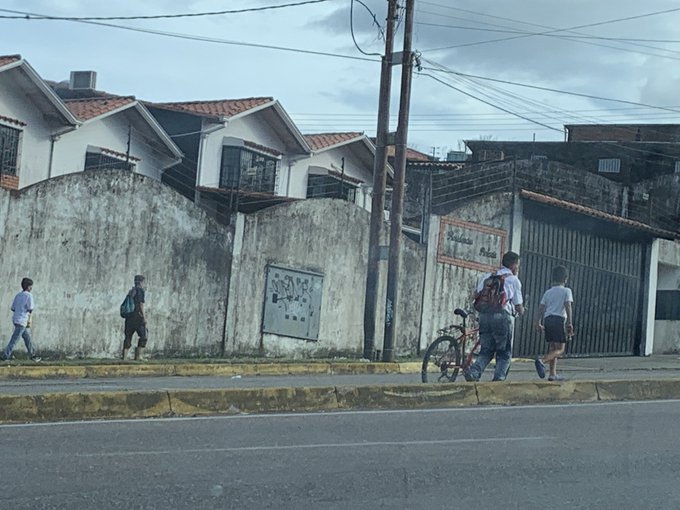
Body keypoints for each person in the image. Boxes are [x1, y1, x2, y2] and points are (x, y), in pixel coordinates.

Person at [465, 251, 524, 382]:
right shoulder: (514, 280)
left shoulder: (488, 276)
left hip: (485, 316)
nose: (517, 268)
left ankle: (474, 372)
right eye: (517, 265)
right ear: (513, 265)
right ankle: (498, 380)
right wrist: (522, 311)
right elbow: (518, 305)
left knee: (486, 350)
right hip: (502, 316)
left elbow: (476, 295)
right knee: (504, 352)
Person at [534, 265, 574, 382]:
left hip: (548, 319)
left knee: (552, 347)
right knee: (560, 349)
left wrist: (537, 322)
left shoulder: (548, 292)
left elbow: (541, 308)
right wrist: (570, 323)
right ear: (565, 279)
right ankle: (542, 361)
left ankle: (552, 374)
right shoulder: (567, 291)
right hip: (558, 320)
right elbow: (568, 306)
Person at [3, 277, 41, 362]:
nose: (31, 288)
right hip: (23, 320)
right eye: (31, 286)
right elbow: (30, 308)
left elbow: (13, 308)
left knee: (27, 339)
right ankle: (5, 355)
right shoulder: (29, 295)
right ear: (28, 287)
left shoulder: (18, 295)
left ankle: (33, 355)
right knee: (14, 340)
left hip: (16, 319)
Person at [122, 275, 148, 361]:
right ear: (141, 282)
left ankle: (124, 357)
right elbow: (141, 304)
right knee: (144, 335)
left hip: (129, 317)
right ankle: (139, 356)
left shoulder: (131, 291)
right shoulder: (140, 291)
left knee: (128, 336)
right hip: (138, 316)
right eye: (144, 282)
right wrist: (144, 317)